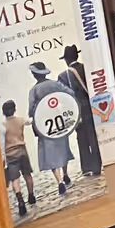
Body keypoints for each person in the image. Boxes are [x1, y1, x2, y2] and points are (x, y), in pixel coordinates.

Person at [25, 61, 80, 199]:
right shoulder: (56, 84)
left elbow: (31, 111)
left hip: (45, 125)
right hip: (60, 121)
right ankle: (66, 174)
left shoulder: (34, 91)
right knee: (63, 149)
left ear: (35, 75)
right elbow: (70, 93)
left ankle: (59, 181)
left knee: (50, 155)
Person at [58, 44, 101, 178]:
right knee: (93, 136)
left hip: (76, 111)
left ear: (66, 60)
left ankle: (86, 167)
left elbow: (64, 99)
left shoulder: (63, 76)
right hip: (90, 106)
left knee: (81, 138)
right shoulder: (86, 68)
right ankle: (97, 166)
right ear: (77, 55)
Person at [0, 99, 34, 218]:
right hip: (22, 151)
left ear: (4, 112)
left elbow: (1, 143)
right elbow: (30, 121)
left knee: (15, 180)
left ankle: (20, 201)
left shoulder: (2, 126)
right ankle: (31, 196)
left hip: (10, 154)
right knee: (27, 175)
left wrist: (3, 157)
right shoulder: (20, 120)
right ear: (14, 109)